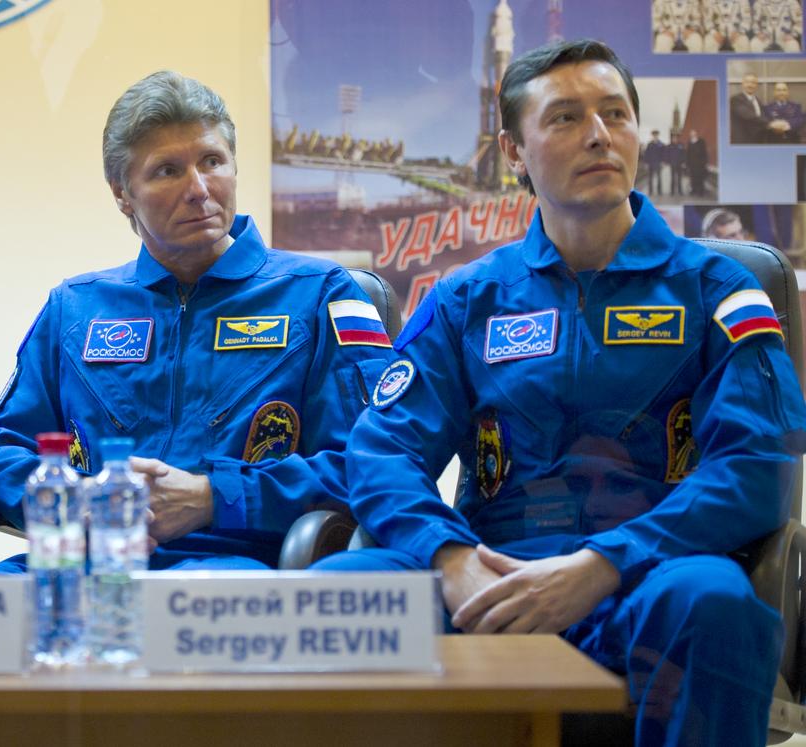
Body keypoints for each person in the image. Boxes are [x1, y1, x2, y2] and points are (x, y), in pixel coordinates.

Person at [312, 40, 806, 747]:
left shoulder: (717, 289)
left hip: (651, 574)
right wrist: (452, 563)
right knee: (339, 593)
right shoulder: (467, 300)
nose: (600, 134)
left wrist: (605, 563)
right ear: (515, 151)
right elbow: (382, 452)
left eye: (615, 113)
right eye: (567, 118)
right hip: (493, 575)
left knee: (715, 602)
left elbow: (757, 465)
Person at [0, 71, 393, 573]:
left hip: (235, 567)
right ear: (122, 193)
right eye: (167, 171)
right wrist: (79, 505)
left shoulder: (321, 294)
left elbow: (376, 460)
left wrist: (215, 497)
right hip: (84, 565)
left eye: (212, 161)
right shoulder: (75, 308)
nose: (199, 190)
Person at [730, 73, 767, 144]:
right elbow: (749, 116)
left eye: (753, 83)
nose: (750, 85)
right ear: (742, 84)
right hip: (743, 141)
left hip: (758, 141)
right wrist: (771, 124)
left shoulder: (758, 100)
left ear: (756, 85)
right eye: (747, 82)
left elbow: (762, 116)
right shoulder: (735, 99)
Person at [686, 129, 709, 196]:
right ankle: (694, 190)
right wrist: (687, 163)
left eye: (694, 134)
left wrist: (705, 162)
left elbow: (704, 153)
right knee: (693, 178)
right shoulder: (690, 142)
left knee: (700, 178)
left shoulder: (701, 141)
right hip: (692, 164)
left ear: (696, 134)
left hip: (700, 164)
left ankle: (700, 191)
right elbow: (688, 153)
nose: (693, 135)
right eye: (691, 134)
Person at [643, 130, 665, 195]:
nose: (655, 136)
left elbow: (663, 154)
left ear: (658, 135)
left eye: (656, 135)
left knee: (659, 178)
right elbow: (646, 154)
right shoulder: (649, 144)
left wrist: (663, 161)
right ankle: (651, 191)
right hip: (651, 163)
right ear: (652, 136)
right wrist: (646, 163)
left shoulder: (661, 144)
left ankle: (659, 191)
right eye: (654, 135)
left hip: (658, 163)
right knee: (650, 178)